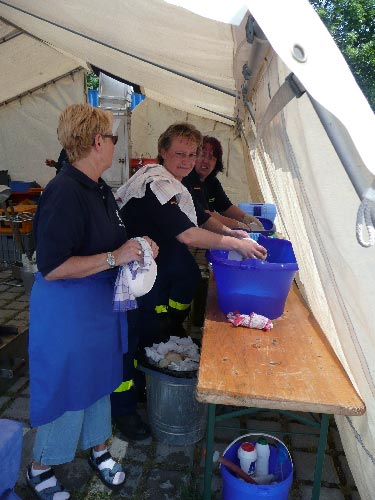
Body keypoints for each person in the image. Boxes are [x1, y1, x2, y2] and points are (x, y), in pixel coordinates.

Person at [26, 103, 158, 500]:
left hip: (98, 307)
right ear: (98, 141)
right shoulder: (64, 192)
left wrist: (136, 246)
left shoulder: (99, 188)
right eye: (113, 138)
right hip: (67, 311)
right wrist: (116, 257)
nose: (115, 145)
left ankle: (99, 449)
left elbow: (108, 241)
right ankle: (40, 466)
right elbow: (51, 267)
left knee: (101, 381)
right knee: (68, 388)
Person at [111, 123, 267, 437]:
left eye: (191, 154)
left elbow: (201, 216)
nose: (186, 159)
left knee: (151, 331)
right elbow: (188, 233)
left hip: (153, 271)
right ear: (163, 152)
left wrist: (231, 231)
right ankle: (123, 413)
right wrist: (239, 244)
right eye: (179, 153)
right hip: (132, 277)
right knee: (127, 344)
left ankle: (147, 382)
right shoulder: (157, 184)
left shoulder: (177, 182)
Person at [183, 135, 263, 230]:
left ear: (217, 163)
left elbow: (226, 207)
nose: (206, 161)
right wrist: (239, 225)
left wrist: (245, 218)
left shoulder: (212, 181)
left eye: (211, 157)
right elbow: (205, 215)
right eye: (202, 155)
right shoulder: (187, 178)